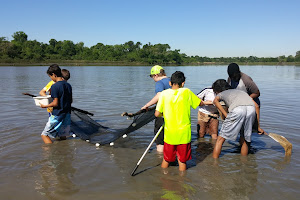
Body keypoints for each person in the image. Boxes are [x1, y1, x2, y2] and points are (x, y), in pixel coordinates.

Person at [155, 71, 204, 171]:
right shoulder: (186, 92)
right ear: (183, 83)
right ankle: (182, 182)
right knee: (182, 161)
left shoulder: (164, 94)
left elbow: (157, 114)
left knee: (166, 159)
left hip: (169, 134)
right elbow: (200, 103)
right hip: (184, 133)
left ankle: (163, 179)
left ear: (170, 83)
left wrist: (163, 114)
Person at [212, 79, 256, 158]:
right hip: (251, 109)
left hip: (238, 110)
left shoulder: (222, 93)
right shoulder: (241, 92)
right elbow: (256, 106)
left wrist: (226, 115)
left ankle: (214, 164)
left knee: (220, 139)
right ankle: (244, 163)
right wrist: (258, 126)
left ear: (218, 90)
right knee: (245, 139)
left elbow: (215, 101)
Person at [227, 63, 265, 134]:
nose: (233, 78)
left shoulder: (246, 80)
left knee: (249, 128)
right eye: (231, 77)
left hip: (251, 102)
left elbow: (257, 93)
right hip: (239, 104)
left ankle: (256, 128)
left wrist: (247, 98)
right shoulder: (230, 79)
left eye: (234, 77)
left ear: (238, 72)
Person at [39, 64, 73, 144]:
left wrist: (45, 106)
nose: (51, 78)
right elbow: (70, 101)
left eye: (50, 76)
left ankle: (51, 153)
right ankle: (63, 149)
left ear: (54, 74)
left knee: (44, 135)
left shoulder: (54, 86)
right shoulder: (68, 85)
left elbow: (55, 103)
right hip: (67, 114)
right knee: (62, 135)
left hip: (57, 115)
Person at [141, 65, 171, 153]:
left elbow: (159, 95)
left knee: (160, 139)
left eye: (152, 76)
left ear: (156, 75)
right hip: (175, 114)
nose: (152, 79)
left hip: (163, 113)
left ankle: (160, 157)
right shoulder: (173, 81)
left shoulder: (160, 83)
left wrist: (146, 105)